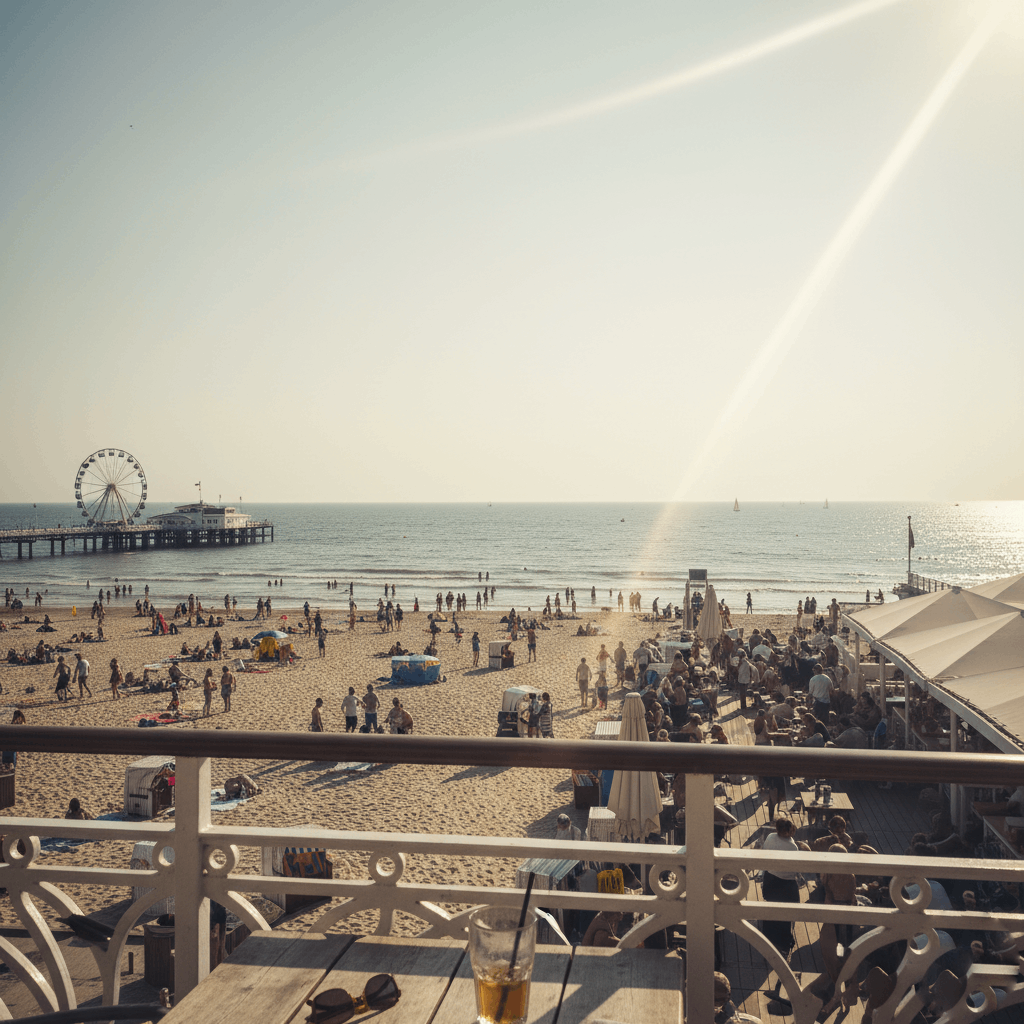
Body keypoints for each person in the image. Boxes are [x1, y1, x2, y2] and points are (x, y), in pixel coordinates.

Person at [759, 816, 801, 956]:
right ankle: (784, 944)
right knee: (786, 914)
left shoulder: (770, 837)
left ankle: (768, 937)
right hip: (786, 885)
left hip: (770, 881)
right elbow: (795, 870)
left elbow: (764, 855)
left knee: (771, 907)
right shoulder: (793, 847)